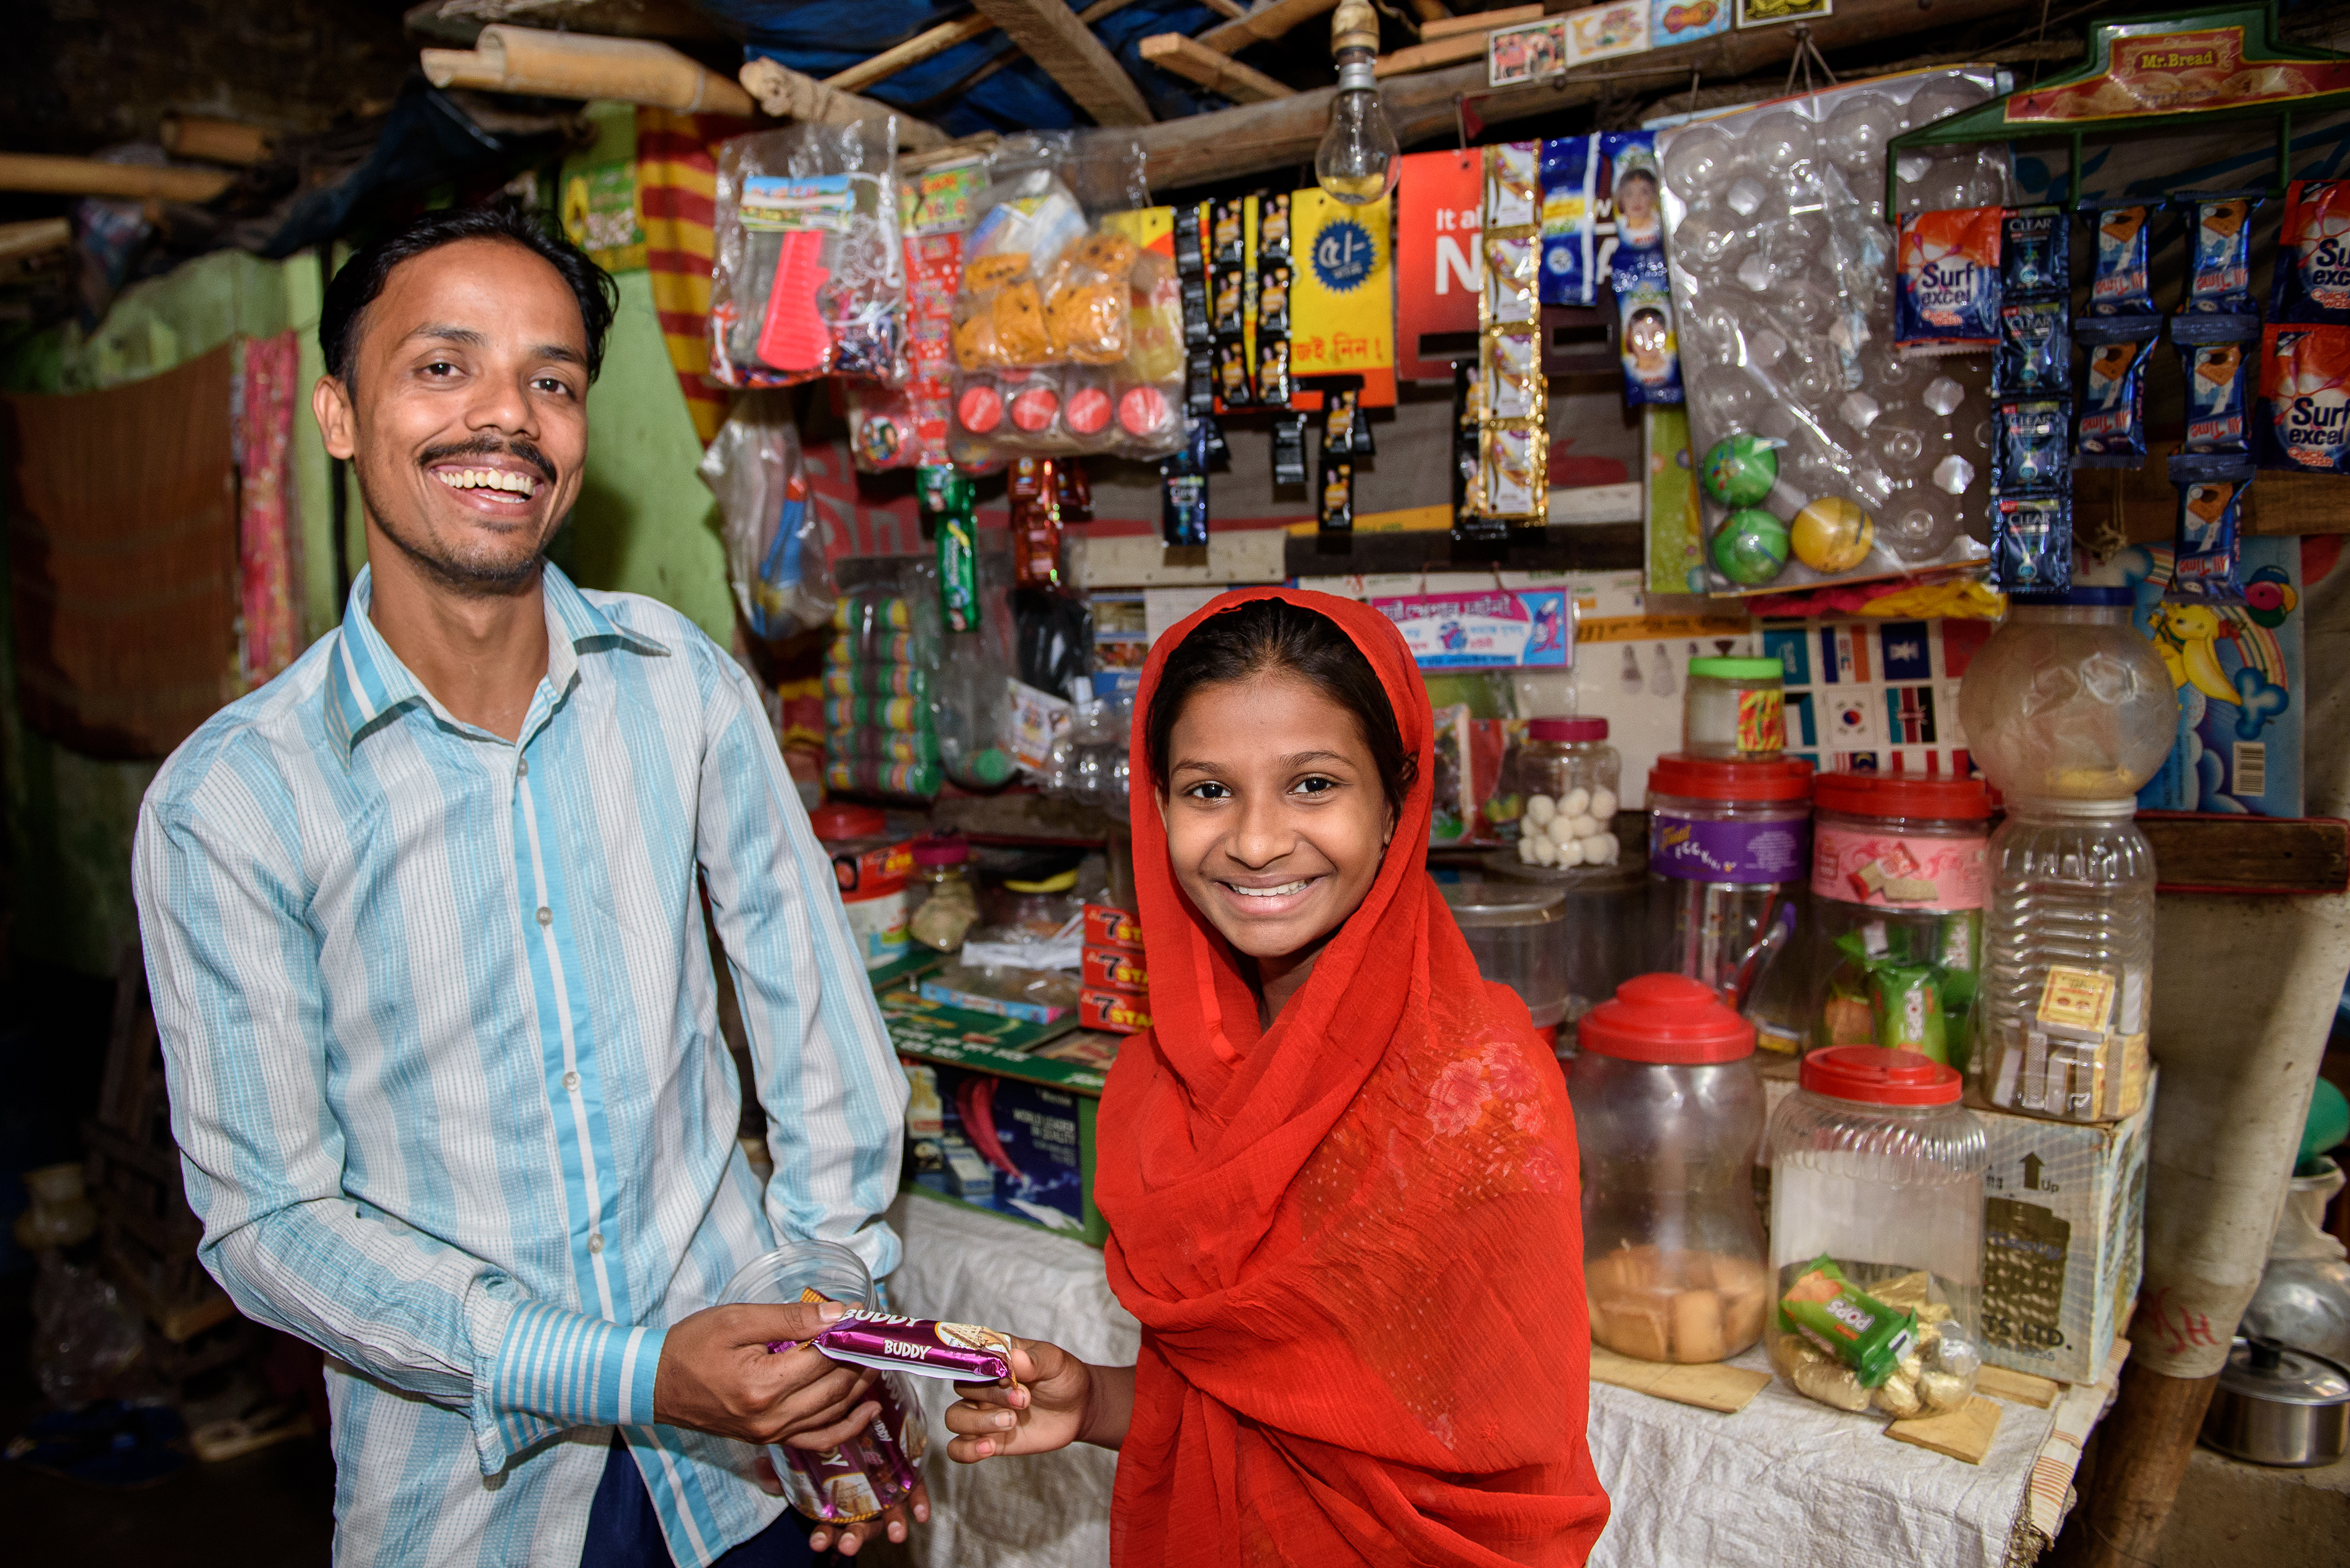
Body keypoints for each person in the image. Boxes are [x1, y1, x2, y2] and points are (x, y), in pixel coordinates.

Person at [131, 205, 918, 1567]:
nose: (507, 418)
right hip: (471, 1500)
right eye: (444, 367)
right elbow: (270, 1223)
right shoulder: (233, 801)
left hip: (746, 1464)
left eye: (551, 380)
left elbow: (817, 1028)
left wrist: (828, 1320)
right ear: (338, 413)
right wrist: (625, 1373)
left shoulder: (678, 687)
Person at [943, 590, 1610, 1564]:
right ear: (1155, 802)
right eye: (1207, 790)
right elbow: (1254, 1410)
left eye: (1312, 785)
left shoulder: (1473, 1095)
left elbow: (1491, 1487)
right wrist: (1093, 1401)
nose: (1255, 843)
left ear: (1396, 802)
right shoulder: (1166, 1074)